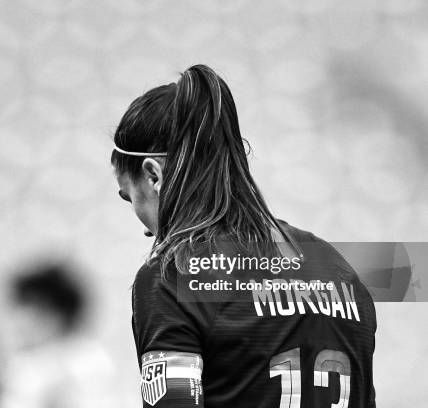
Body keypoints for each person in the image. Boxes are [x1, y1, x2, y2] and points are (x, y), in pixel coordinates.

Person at [111, 64, 377, 407]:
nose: (147, 229)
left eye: (129, 198)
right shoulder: (337, 267)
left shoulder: (174, 275)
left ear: (152, 175)